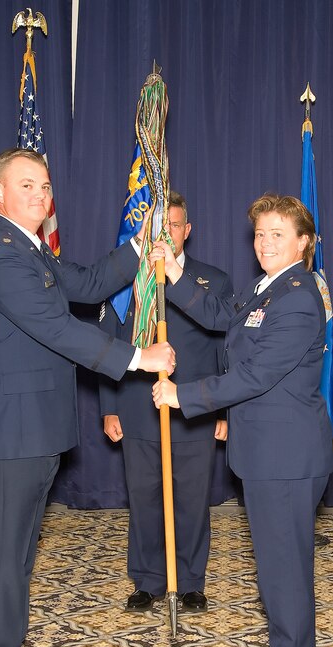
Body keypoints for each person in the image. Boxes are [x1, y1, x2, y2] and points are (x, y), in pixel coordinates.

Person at [0, 148, 175, 647]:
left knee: (21, 552)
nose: (39, 194)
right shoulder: (4, 258)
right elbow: (58, 328)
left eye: (45, 186)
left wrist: (139, 248)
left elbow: (85, 282)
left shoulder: (32, 251)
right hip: (10, 432)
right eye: (25, 184)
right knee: (1, 558)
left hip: (33, 428)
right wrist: (137, 358)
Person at [152, 194, 333, 647]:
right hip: (267, 452)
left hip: (287, 457)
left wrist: (182, 395)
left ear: (304, 242)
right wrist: (172, 271)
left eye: (278, 234)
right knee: (275, 567)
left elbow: (255, 375)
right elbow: (216, 312)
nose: (264, 243)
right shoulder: (265, 289)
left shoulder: (298, 296)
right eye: (259, 234)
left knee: (285, 568)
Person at [99, 190, 232, 614]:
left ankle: (190, 580)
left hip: (193, 410)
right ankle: (148, 580)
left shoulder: (214, 280)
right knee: (144, 498)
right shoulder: (126, 284)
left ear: (187, 231)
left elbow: (224, 349)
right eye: (160, 225)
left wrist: (224, 411)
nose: (168, 232)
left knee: (193, 501)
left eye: (174, 225)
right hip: (137, 406)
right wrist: (108, 406)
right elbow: (108, 345)